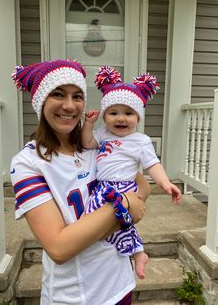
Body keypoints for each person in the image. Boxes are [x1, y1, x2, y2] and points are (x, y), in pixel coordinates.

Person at [10, 59, 151, 305]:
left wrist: (120, 210)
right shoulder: (28, 163)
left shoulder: (96, 145)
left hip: (120, 283)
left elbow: (144, 188)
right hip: (75, 296)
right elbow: (59, 248)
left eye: (77, 96)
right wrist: (124, 204)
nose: (69, 105)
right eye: (58, 94)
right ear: (40, 101)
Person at [81, 65, 181, 280]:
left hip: (124, 187)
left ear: (139, 116)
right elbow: (87, 143)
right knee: (91, 220)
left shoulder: (140, 141)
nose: (121, 118)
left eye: (128, 113)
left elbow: (153, 165)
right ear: (105, 115)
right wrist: (88, 123)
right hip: (101, 187)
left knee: (119, 219)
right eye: (113, 112)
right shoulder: (102, 134)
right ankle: (133, 253)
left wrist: (165, 184)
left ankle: (136, 253)